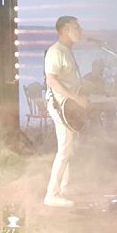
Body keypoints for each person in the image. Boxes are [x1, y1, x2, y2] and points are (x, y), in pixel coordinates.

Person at [43, 16, 88, 207]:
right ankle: (52, 194)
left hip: (69, 106)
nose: (80, 31)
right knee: (64, 149)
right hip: (60, 105)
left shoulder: (67, 51)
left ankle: (65, 187)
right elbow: (51, 80)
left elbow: (69, 80)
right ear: (64, 31)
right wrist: (75, 98)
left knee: (70, 147)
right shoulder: (55, 52)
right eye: (76, 28)